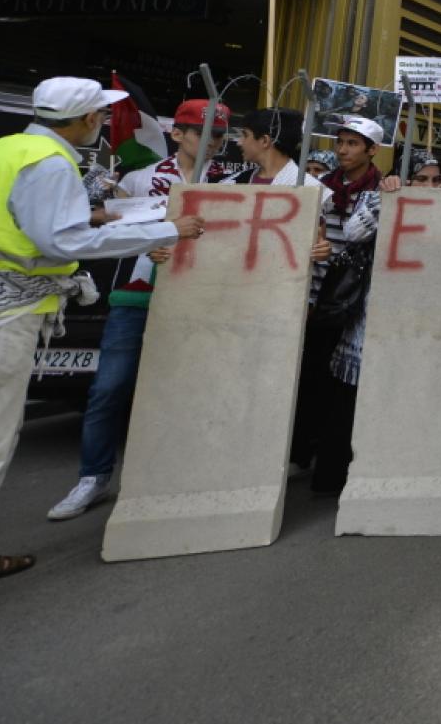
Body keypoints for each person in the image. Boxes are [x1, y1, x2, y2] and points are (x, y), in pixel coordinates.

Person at [0, 78, 206, 632]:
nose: (102, 121)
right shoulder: (49, 163)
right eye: (99, 114)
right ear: (86, 119)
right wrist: (165, 228)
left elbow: (30, 226)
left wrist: (96, 218)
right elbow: (61, 244)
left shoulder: (8, 149)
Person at [46, 108, 321, 522]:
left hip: (199, 300)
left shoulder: (227, 183)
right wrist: (143, 239)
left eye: (222, 136)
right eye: (204, 133)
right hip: (136, 295)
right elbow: (102, 226)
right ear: (178, 134)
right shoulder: (139, 175)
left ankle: (180, 474)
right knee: (109, 389)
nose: (214, 142)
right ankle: (94, 477)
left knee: (189, 392)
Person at [293, 117, 385, 496]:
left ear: (371, 150)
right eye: (341, 142)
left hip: (352, 305)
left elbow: (355, 237)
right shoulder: (319, 189)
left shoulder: (381, 191)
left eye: (352, 144)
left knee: (340, 390)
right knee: (309, 381)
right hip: (313, 298)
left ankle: (331, 471)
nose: (343, 150)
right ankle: (302, 453)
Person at [117, 98, 237, 198]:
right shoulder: (137, 181)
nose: (211, 142)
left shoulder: (232, 182)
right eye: (202, 134)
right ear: (177, 134)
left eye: (218, 135)